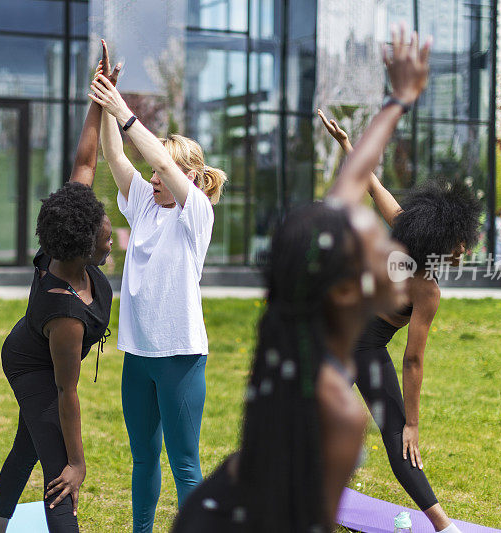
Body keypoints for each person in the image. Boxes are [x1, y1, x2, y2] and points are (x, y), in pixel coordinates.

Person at [172, 23, 429, 533]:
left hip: (206, 512)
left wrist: (398, 101)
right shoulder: (337, 411)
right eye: (371, 248)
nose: (387, 248)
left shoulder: (293, 322)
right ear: (344, 289)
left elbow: (348, 191)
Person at [319, 80, 481, 533]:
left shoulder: (404, 230)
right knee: (393, 438)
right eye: (459, 244)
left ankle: (443, 526)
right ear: (440, 241)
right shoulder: (426, 288)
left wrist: (348, 144)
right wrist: (411, 423)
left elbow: (371, 182)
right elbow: (412, 361)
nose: (463, 251)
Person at [0, 42, 120, 533]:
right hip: (30, 363)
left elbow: (84, 163)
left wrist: (99, 96)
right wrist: (81, 464)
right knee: (59, 469)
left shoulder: (67, 237)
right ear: (83, 246)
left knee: (28, 444)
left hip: (38, 351)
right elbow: (67, 392)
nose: (112, 235)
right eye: (106, 235)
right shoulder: (63, 312)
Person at [89, 60, 227, 533]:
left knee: (184, 464)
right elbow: (113, 154)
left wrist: (125, 112)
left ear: (187, 176)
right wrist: (109, 96)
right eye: (149, 172)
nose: (152, 176)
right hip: (139, 356)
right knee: (143, 459)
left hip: (181, 357)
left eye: (160, 172)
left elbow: (165, 163)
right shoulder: (145, 204)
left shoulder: (196, 215)